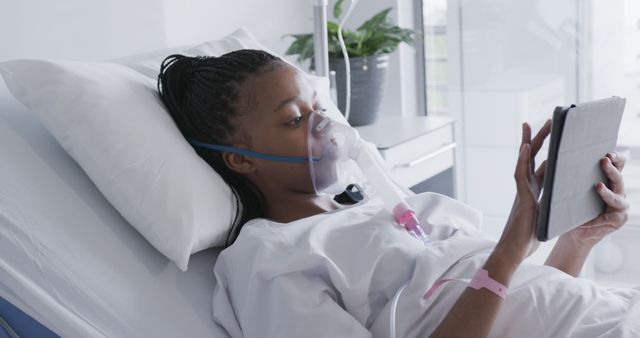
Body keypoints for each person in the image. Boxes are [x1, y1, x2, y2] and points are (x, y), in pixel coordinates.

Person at [157, 49, 636, 337]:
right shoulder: (268, 259)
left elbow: (521, 308)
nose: (324, 125)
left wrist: (579, 240)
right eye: (294, 119)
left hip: (610, 312)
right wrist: (510, 249)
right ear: (240, 159)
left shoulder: (379, 202)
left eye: (318, 105)